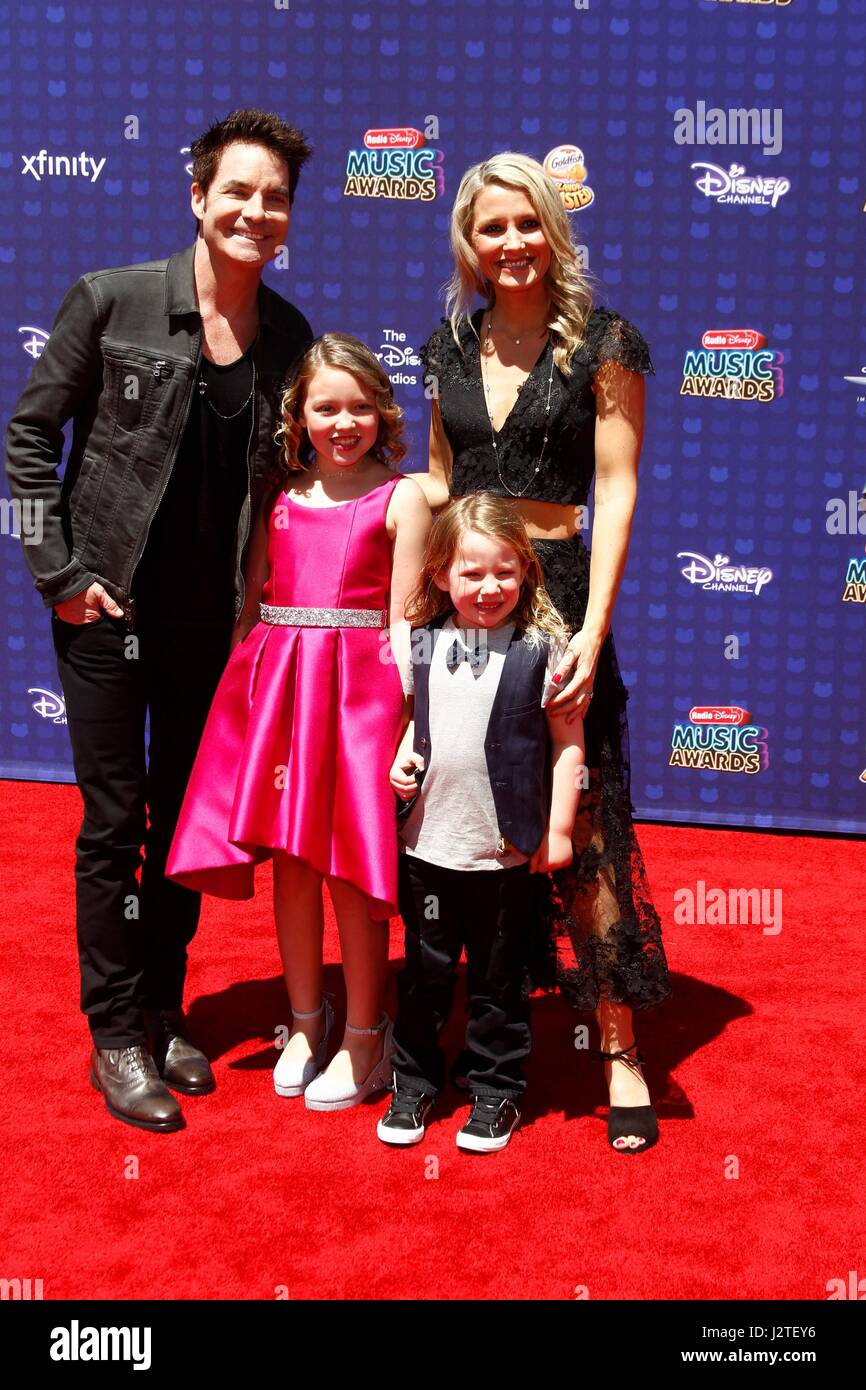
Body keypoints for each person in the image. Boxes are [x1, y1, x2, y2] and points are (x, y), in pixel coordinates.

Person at [4, 109, 314, 1133]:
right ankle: (116, 1035)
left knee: (182, 827)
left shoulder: (288, 337)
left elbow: (285, 487)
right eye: (237, 190)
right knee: (110, 823)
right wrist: (57, 571)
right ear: (197, 196)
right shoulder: (112, 300)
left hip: (209, 629)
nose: (254, 211)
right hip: (105, 609)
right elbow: (24, 444)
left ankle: (163, 1005)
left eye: (272, 197)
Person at [411, 151, 670, 1154]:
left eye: (526, 224)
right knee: (461, 801)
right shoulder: (443, 346)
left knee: (585, 813)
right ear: (467, 244)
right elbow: (437, 489)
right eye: (490, 228)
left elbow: (615, 487)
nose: (510, 244)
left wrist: (592, 624)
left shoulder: (607, 343)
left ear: (552, 231)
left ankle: (617, 1048)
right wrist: (411, 614)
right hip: (466, 605)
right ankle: (467, 1019)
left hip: (556, 597)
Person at [166, 333, 432, 1111]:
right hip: (282, 686)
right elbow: (252, 601)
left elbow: (407, 620)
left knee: (350, 862)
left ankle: (364, 1034)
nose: (343, 423)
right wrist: (240, 697)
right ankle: (306, 1025)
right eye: (326, 408)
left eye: (359, 407)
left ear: (383, 412)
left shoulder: (402, 496)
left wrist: (412, 725)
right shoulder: (280, 495)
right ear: (300, 415)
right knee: (292, 862)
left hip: (360, 696)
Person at [377, 495, 583, 1153]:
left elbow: (567, 746)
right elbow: (417, 724)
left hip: (505, 854)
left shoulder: (541, 650)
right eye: (471, 573)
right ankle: (413, 1081)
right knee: (425, 975)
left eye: (504, 572)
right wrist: (403, 759)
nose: (488, 587)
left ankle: (495, 1089)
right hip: (427, 847)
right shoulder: (422, 646)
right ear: (440, 575)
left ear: (525, 571)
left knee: (499, 982)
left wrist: (556, 830)